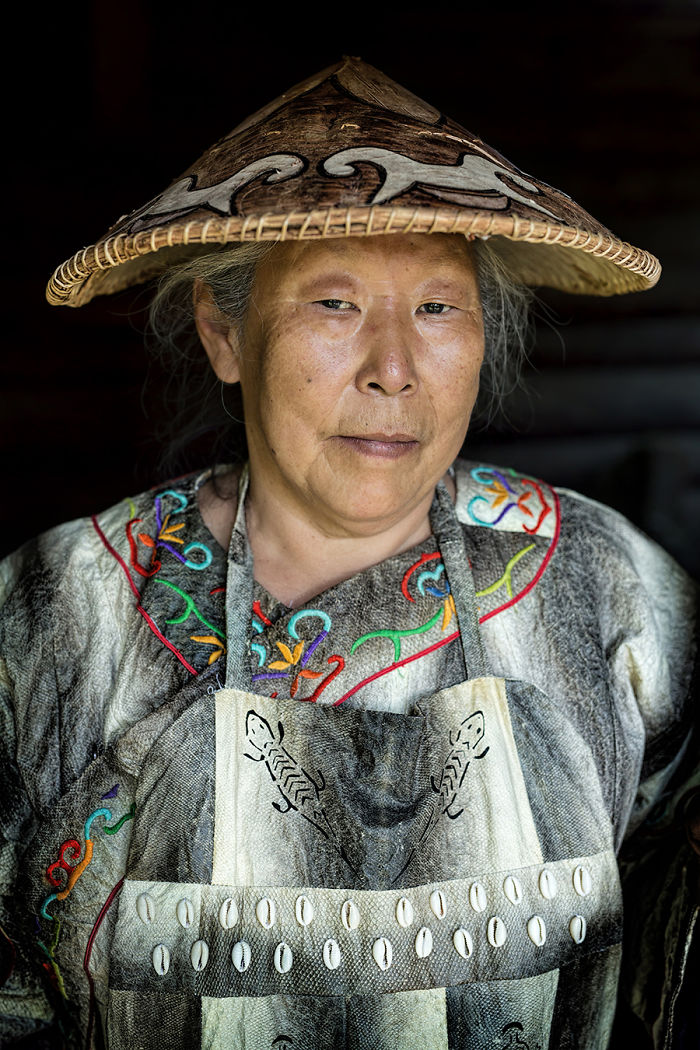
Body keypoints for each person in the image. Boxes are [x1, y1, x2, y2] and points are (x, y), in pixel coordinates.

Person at [0, 57, 697, 1050]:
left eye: (438, 307)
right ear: (224, 333)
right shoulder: (57, 610)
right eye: (334, 304)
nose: (393, 370)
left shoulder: (605, 585)